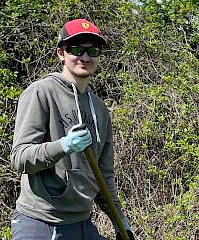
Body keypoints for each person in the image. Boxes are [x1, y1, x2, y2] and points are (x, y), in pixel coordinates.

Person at [11, 18, 134, 239]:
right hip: (41, 223)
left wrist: (120, 221)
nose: (85, 57)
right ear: (61, 53)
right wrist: (64, 146)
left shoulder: (100, 109)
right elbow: (20, 158)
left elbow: (104, 176)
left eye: (92, 51)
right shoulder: (41, 92)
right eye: (76, 49)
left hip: (81, 224)